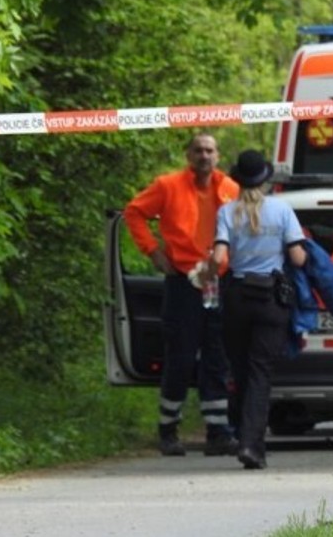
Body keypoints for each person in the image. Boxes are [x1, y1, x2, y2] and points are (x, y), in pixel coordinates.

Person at [124, 132, 240, 457]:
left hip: (219, 281)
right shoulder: (168, 185)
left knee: (217, 358)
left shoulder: (230, 188)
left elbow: (243, 230)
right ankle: (168, 431)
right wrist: (153, 252)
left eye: (210, 150)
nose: (204, 156)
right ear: (189, 155)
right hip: (182, 283)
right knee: (180, 358)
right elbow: (134, 212)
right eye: (198, 150)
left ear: (218, 155)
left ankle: (218, 433)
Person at [208, 149, 307, 469]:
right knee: (260, 372)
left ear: (237, 179)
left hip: (237, 298)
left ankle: (239, 432)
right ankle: (251, 445)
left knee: (239, 370)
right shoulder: (282, 211)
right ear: (265, 178)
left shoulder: (226, 212)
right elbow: (298, 259)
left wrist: (206, 272)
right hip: (270, 299)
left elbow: (220, 258)